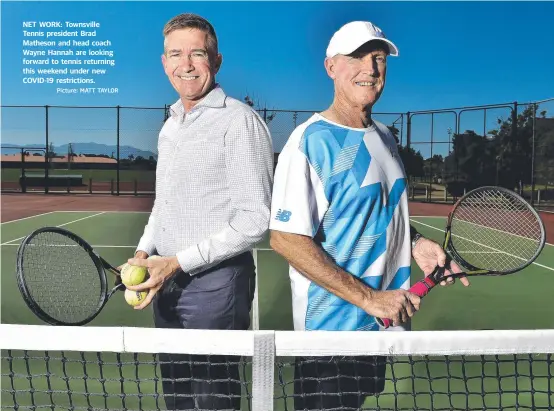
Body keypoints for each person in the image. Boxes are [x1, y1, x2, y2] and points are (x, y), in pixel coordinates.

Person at [269, 21, 470, 410]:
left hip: (379, 327)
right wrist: (369, 299)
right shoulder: (309, 142)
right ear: (331, 67)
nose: (370, 68)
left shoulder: (384, 137)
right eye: (357, 57)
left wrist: (416, 244)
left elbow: (380, 209)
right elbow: (286, 238)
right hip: (330, 338)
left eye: (378, 58)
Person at [123, 13, 274, 411]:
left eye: (197, 53)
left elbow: (255, 220)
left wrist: (177, 262)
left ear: (217, 60)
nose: (185, 64)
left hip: (216, 286)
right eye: (176, 54)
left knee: (212, 400)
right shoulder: (170, 125)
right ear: (164, 62)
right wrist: (144, 251)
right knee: (177, 397)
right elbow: (164, 202)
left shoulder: (240, 122)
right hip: (165, 281)